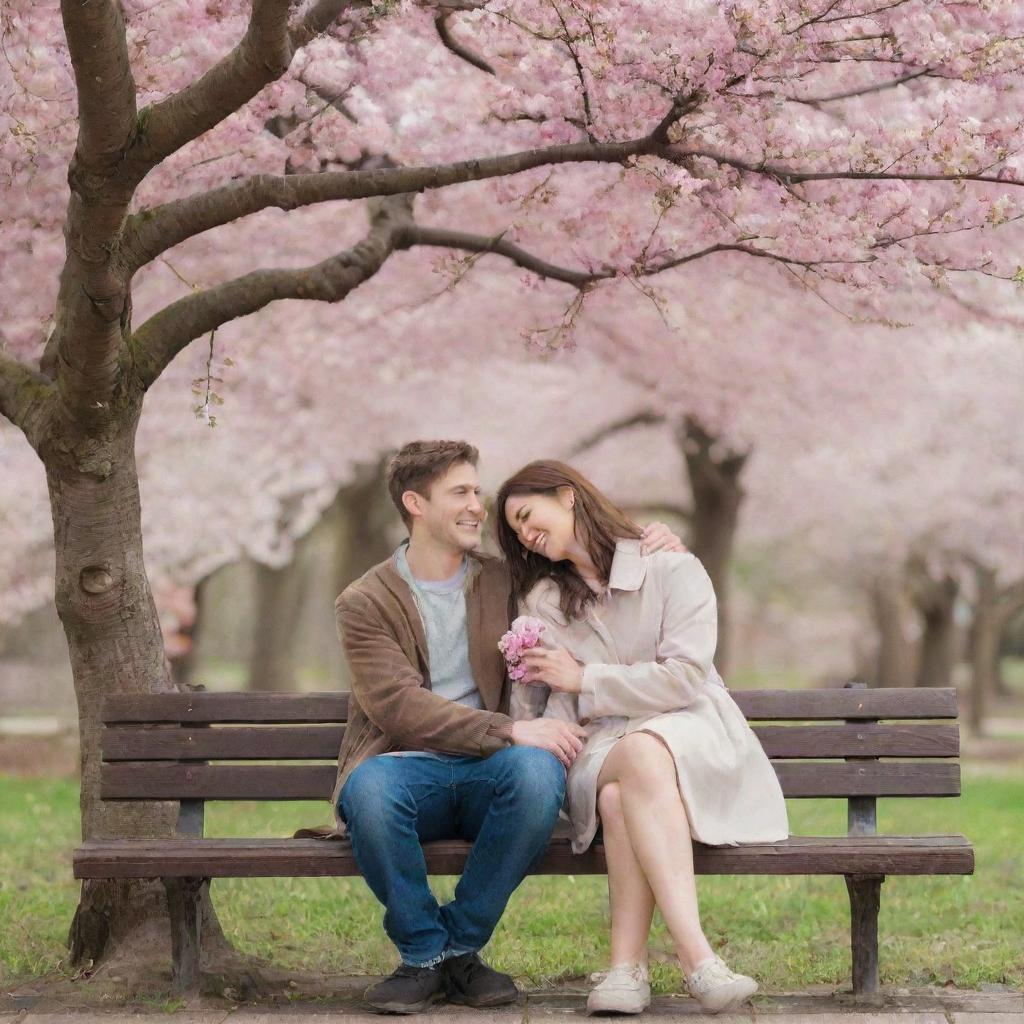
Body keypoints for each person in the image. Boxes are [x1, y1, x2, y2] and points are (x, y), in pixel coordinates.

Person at [330, 440, 683, 1014]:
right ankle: (426, 954)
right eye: (461, 493)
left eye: (477, 490)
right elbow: (396, 705)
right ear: (415, 503)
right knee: (366, 791)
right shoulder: (365, 601)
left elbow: (588, 559)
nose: (477, 505)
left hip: (493, 772)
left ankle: (459, 945)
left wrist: (649, 543)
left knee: (539, 776)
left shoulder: (507, 580)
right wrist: (509, 731)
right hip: (407, 767)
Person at [494, 460, 789, 1017]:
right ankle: (699, 961)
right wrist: (536, 689)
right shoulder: (542, 604)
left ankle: (627, 968)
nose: (524, 534)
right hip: (599, 746)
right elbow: (546, 706)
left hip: (692, 733)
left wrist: (584, 678)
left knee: (621, 791)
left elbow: (683, 678)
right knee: (630, 758)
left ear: (568, 496)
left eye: (527, 515)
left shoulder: (673, 569)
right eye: (514, 531)